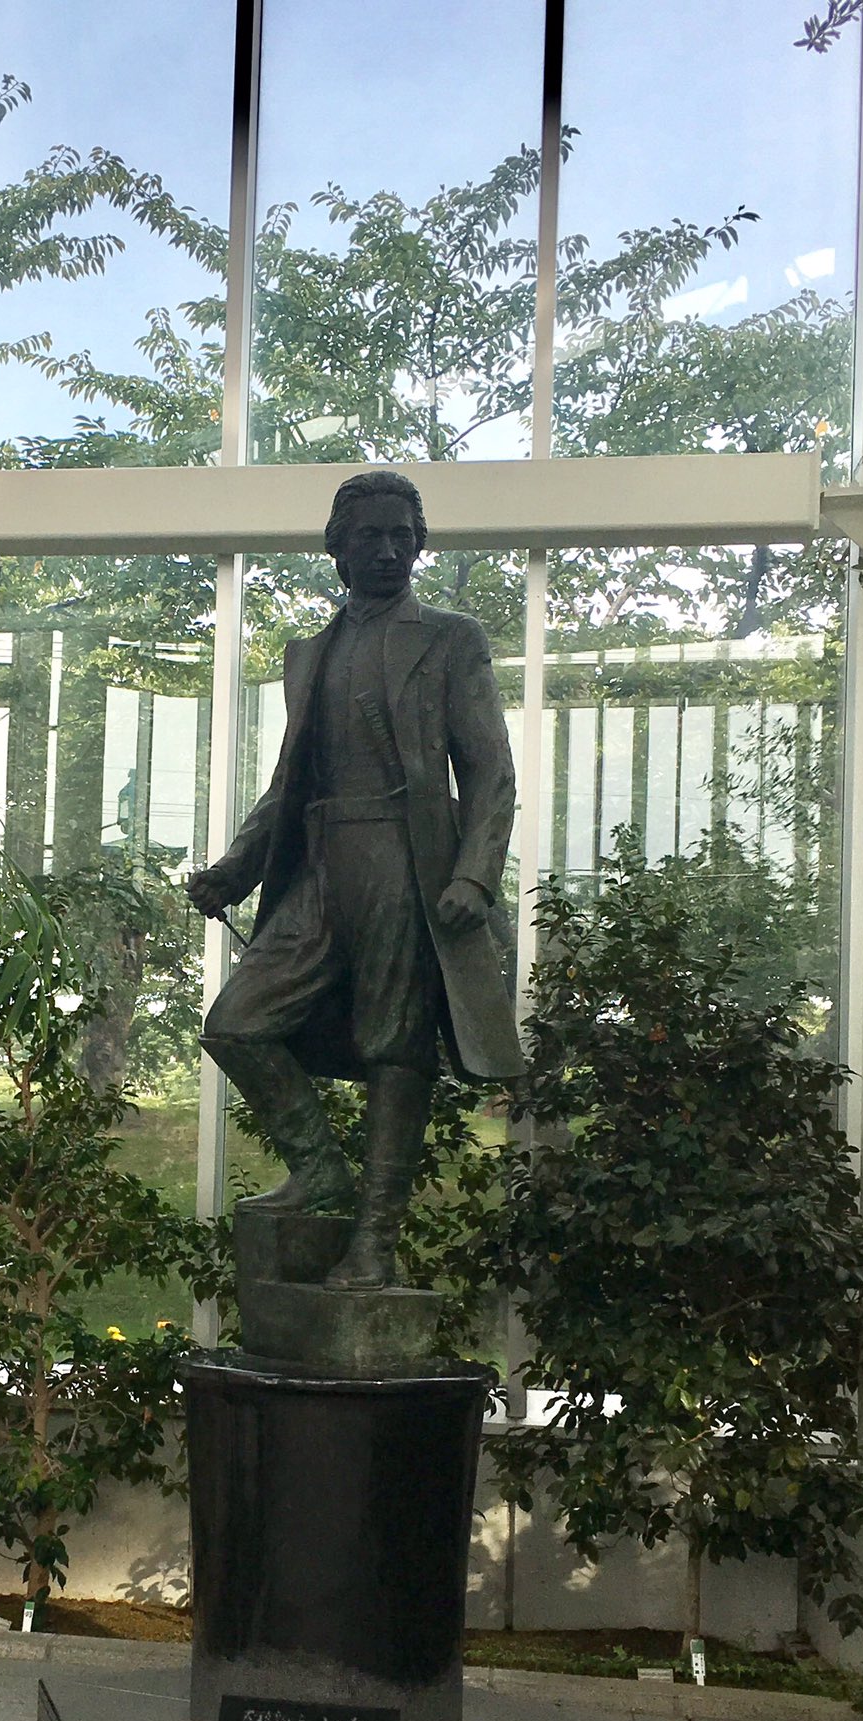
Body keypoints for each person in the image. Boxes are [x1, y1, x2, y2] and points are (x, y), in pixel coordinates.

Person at [187, 470, 525, 1290]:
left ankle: (375, 1240)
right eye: (370, 536)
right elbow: (289, 783)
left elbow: (490, 770)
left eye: (402, 536)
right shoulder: (311, 653)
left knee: (394, 1049)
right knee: (236, 1023)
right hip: (320, 861)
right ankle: (319, 1170)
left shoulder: (450, 638)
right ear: (337, 550)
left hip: (406, 863)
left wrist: (475, 877)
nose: (387, 551)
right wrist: (235, 871)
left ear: (418, 546)